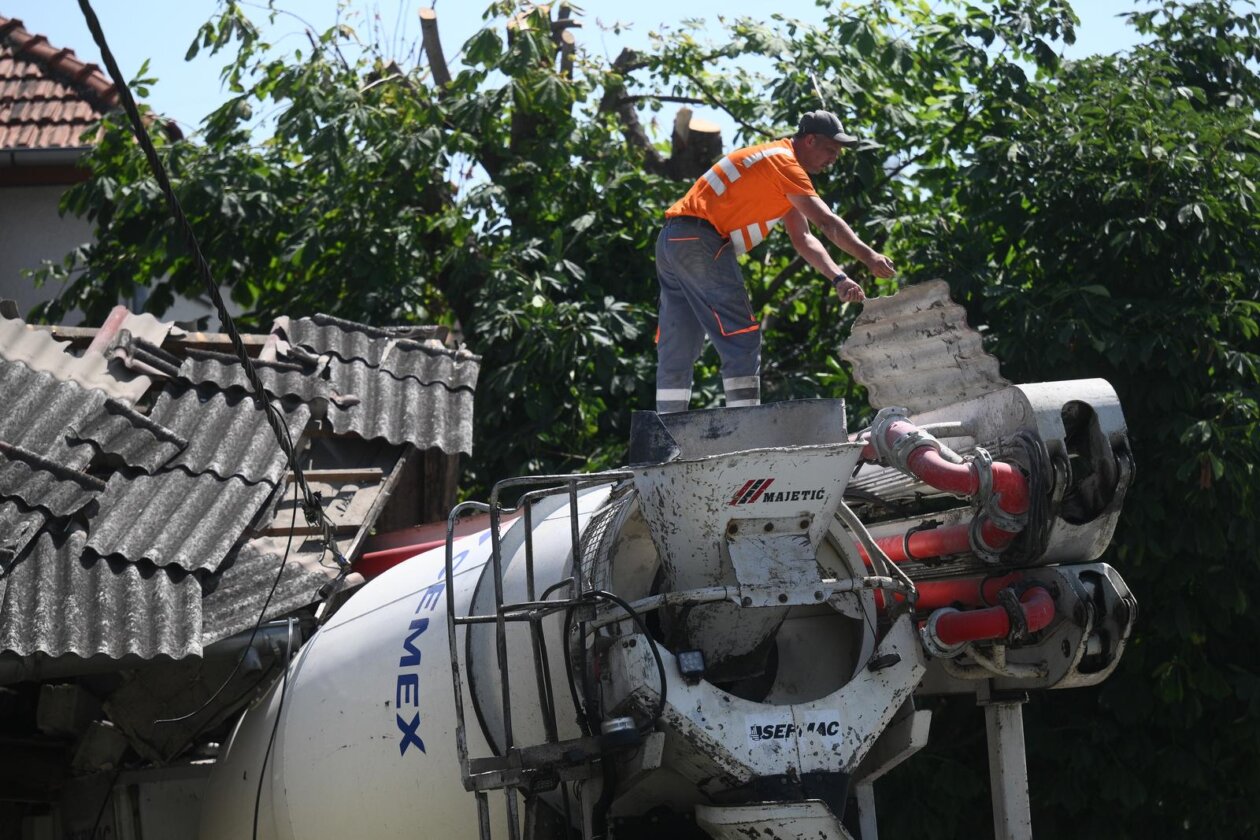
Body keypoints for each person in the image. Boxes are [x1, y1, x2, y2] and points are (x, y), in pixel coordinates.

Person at [654, 110, 896, 414]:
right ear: (810, 140)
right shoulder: (785, 163)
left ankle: (667, 425)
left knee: (679, 340)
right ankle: (744, 421)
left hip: (673, 241)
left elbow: (803, 238)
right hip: (701, 242)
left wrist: (839, 277)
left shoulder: (774, 165)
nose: (833, 159)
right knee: (741, 336)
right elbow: (826, 222)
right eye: (830, 150)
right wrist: (869, 256)